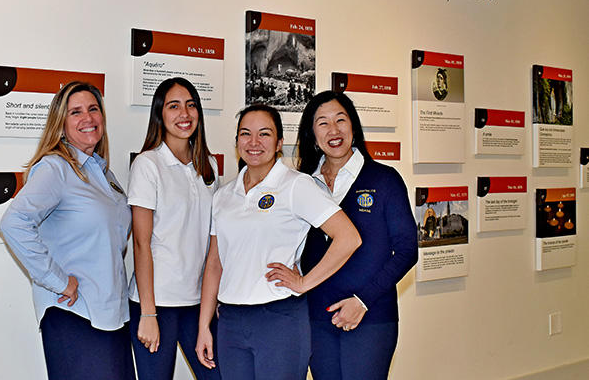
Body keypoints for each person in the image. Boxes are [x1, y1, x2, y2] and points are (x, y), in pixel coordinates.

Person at [195, 104, 361, 380]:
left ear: (279, 142)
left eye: (265, 134)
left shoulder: (296, 185)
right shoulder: (224, 196)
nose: (254, 142)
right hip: (231, 324)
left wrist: (303, 282)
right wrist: (203, 327)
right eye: (245, 134)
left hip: (279, 320)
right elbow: (214, 264)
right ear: (237, 142)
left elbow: (348, 237)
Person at [0, 81, 134, 380]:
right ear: (60, 125)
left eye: (93, 109)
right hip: (75, 314)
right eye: (76, 112)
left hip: (112, 315)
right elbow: (13, 223)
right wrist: (57, 280)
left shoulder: (103, 174)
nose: (88, 118)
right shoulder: (55, 168)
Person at [296, 91, 418, 380]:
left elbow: (407, 250)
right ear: (313, 134)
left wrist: (362, 301)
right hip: (317, 316)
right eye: (323, 123)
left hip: (371, 314)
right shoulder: (302, 185)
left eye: (341, 120)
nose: (334, 130)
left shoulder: (384, 179)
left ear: (353, 127)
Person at [128, 77, 221, 380]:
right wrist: (147, 312)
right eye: (174, 106)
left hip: (198, 301)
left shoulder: (208, 165)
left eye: (191, 105)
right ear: (160, 114)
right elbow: (141, 244)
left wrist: (214, 300)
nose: (184, 114)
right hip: (159, 303)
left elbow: (211, 241)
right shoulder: (147, 164)